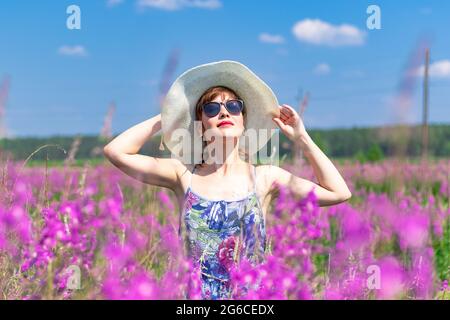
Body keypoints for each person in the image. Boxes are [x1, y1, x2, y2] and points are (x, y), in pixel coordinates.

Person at [103, 60, 352, 299]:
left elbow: (338, 192)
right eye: (211, 109)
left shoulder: (265, 177)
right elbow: (116, 151)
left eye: (233, 106)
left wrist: (302, 139)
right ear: (200, 125)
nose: (224, 111)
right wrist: (167, 116)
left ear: (243, 121)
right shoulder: (183, 174)